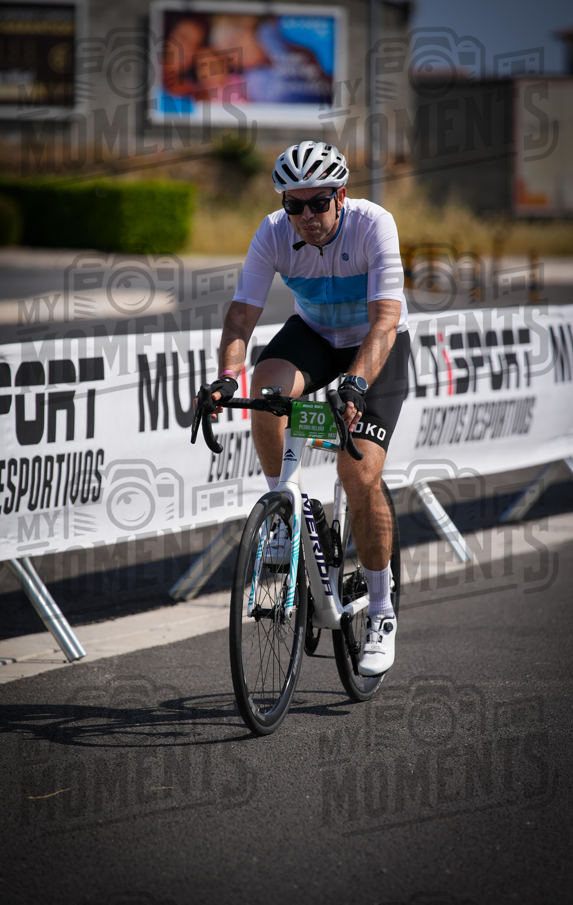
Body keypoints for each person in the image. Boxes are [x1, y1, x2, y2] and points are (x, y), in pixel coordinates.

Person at [202, 140, 409, 676]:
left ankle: (382, 611)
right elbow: (241, 317)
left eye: (318, 203)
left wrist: (357, 385)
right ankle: (280, 514)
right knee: (266, 392)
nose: (306, 217)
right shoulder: (273, 232)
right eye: (294, 205)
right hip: (315, 334)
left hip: (374, 342)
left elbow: (386, 319)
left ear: (341, 195)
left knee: (357, 471)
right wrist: (227, 377)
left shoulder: (373, 224)